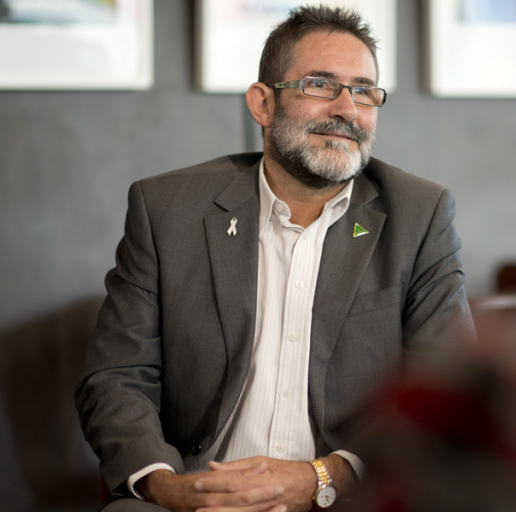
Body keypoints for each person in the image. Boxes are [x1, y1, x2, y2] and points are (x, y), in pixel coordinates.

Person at [75, 5, 473, 512]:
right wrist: (168, 485)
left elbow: (449, 394)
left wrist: (321, 478)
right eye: (319, 85)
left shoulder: (419, 216)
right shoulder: (167, 210)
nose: (347, 109)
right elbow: (116, 375)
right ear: (263, 104)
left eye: (364, 91)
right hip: (194, 493)